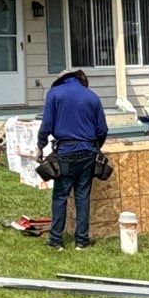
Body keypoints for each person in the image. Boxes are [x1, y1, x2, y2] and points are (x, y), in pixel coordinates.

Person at [38, 69, 107, 249]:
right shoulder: (92, 97)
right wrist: (96, 147)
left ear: (61, 80)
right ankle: (82, 241)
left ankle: (56, 241)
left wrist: (40, 144)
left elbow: (46, 124)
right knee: (82, 196)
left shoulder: (54, 94)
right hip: (88, 152)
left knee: (60, 195)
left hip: (66, 151)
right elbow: (102, 129)